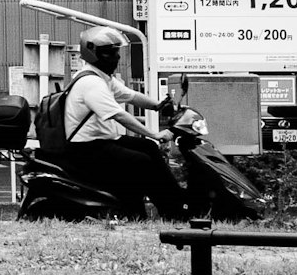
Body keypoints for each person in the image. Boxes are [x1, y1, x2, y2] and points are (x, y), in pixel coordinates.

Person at [54, 27, 197, 218]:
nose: (116, 57)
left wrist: (158, 106)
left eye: (116, 52)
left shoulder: (102, 78)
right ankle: (147, 212)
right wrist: (155, 134)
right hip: (85, 148)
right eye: (110, 52)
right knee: (141, 161)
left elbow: (131, 96)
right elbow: (119, 115)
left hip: (101, 141)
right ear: (93, 53)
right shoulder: (91, 83)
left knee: (148, 148)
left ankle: (176, 205)